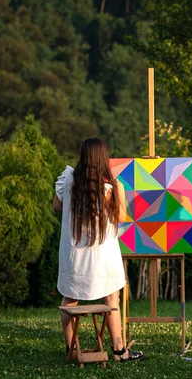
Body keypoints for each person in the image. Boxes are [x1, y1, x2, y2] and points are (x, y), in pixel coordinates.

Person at [54, 138, 144, 362]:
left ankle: (71, 348)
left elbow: (57, 206)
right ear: (103, 158)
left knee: (69, 299)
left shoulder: (68, 180)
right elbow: (121, 217)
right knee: (112, 297)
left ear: (83, 157)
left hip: (74, 256)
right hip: (102, 257)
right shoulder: (109, 188)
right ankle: (119, 351)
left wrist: (76, 208)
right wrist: (120, 192)